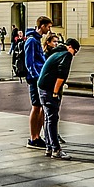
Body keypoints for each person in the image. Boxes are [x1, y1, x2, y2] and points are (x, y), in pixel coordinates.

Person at [38, 38, 80, 159]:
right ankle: (56, 149)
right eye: (75, 51)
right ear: (71, 47)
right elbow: (62, 75)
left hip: (42, 87)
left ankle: (49, 147)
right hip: (49, 89)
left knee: (47, 118)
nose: (74, 55)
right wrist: (56, 92)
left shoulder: (56, 52)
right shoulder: (66, 54)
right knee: (52, 118)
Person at [24, 17, 53, 149]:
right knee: (36, 107)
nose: (49, 30)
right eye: (48, 27)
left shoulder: (36, 40)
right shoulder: (31, 41)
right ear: (41, 26)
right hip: (35, 79)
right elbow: (29, 63)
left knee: (40, 107)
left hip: (41, 77)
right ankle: (33, 137)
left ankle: (37, 136)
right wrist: (37, 77)